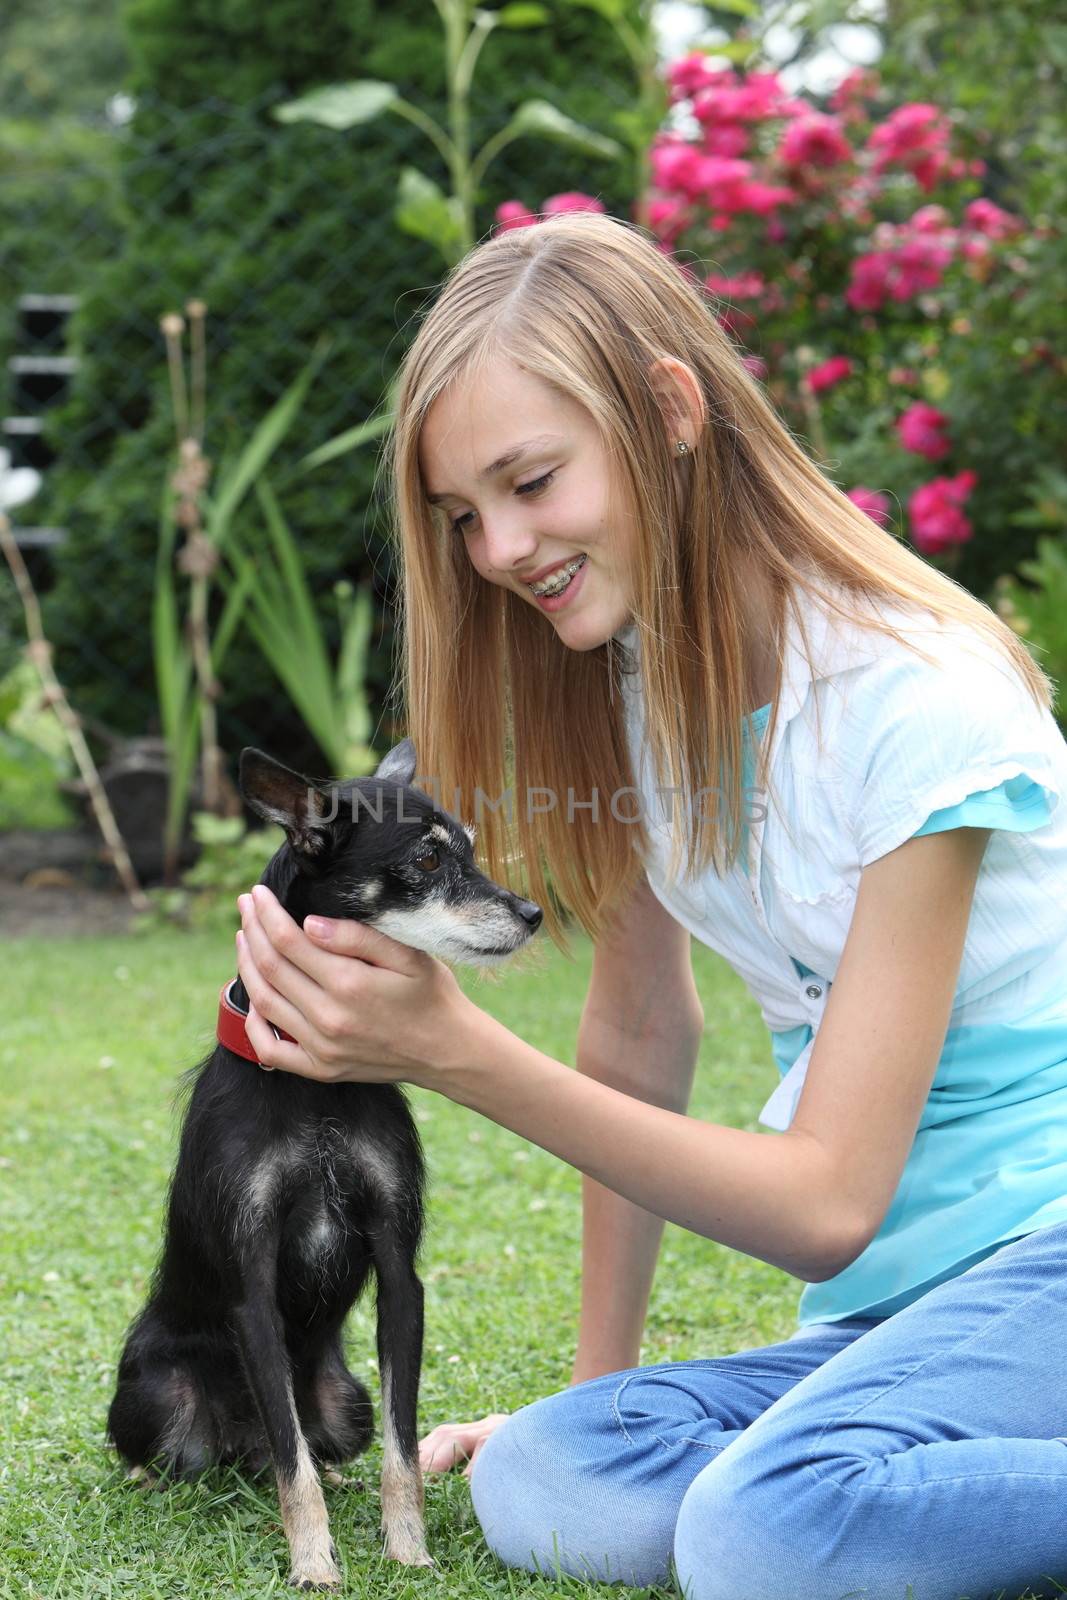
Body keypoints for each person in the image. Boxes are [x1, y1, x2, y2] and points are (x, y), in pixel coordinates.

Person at [234, 212, 1067, 1599]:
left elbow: (829, 1205)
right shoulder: (642, 700)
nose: (498, 547)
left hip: (1044, 1256)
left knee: (768, 1532)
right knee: (546, 1485)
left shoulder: (920, 707)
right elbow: (635, 1032)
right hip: (897, 1320)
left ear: (669, 412)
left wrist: (453, 1051)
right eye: (461, 515)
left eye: (532, 481)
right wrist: (595, 1403)